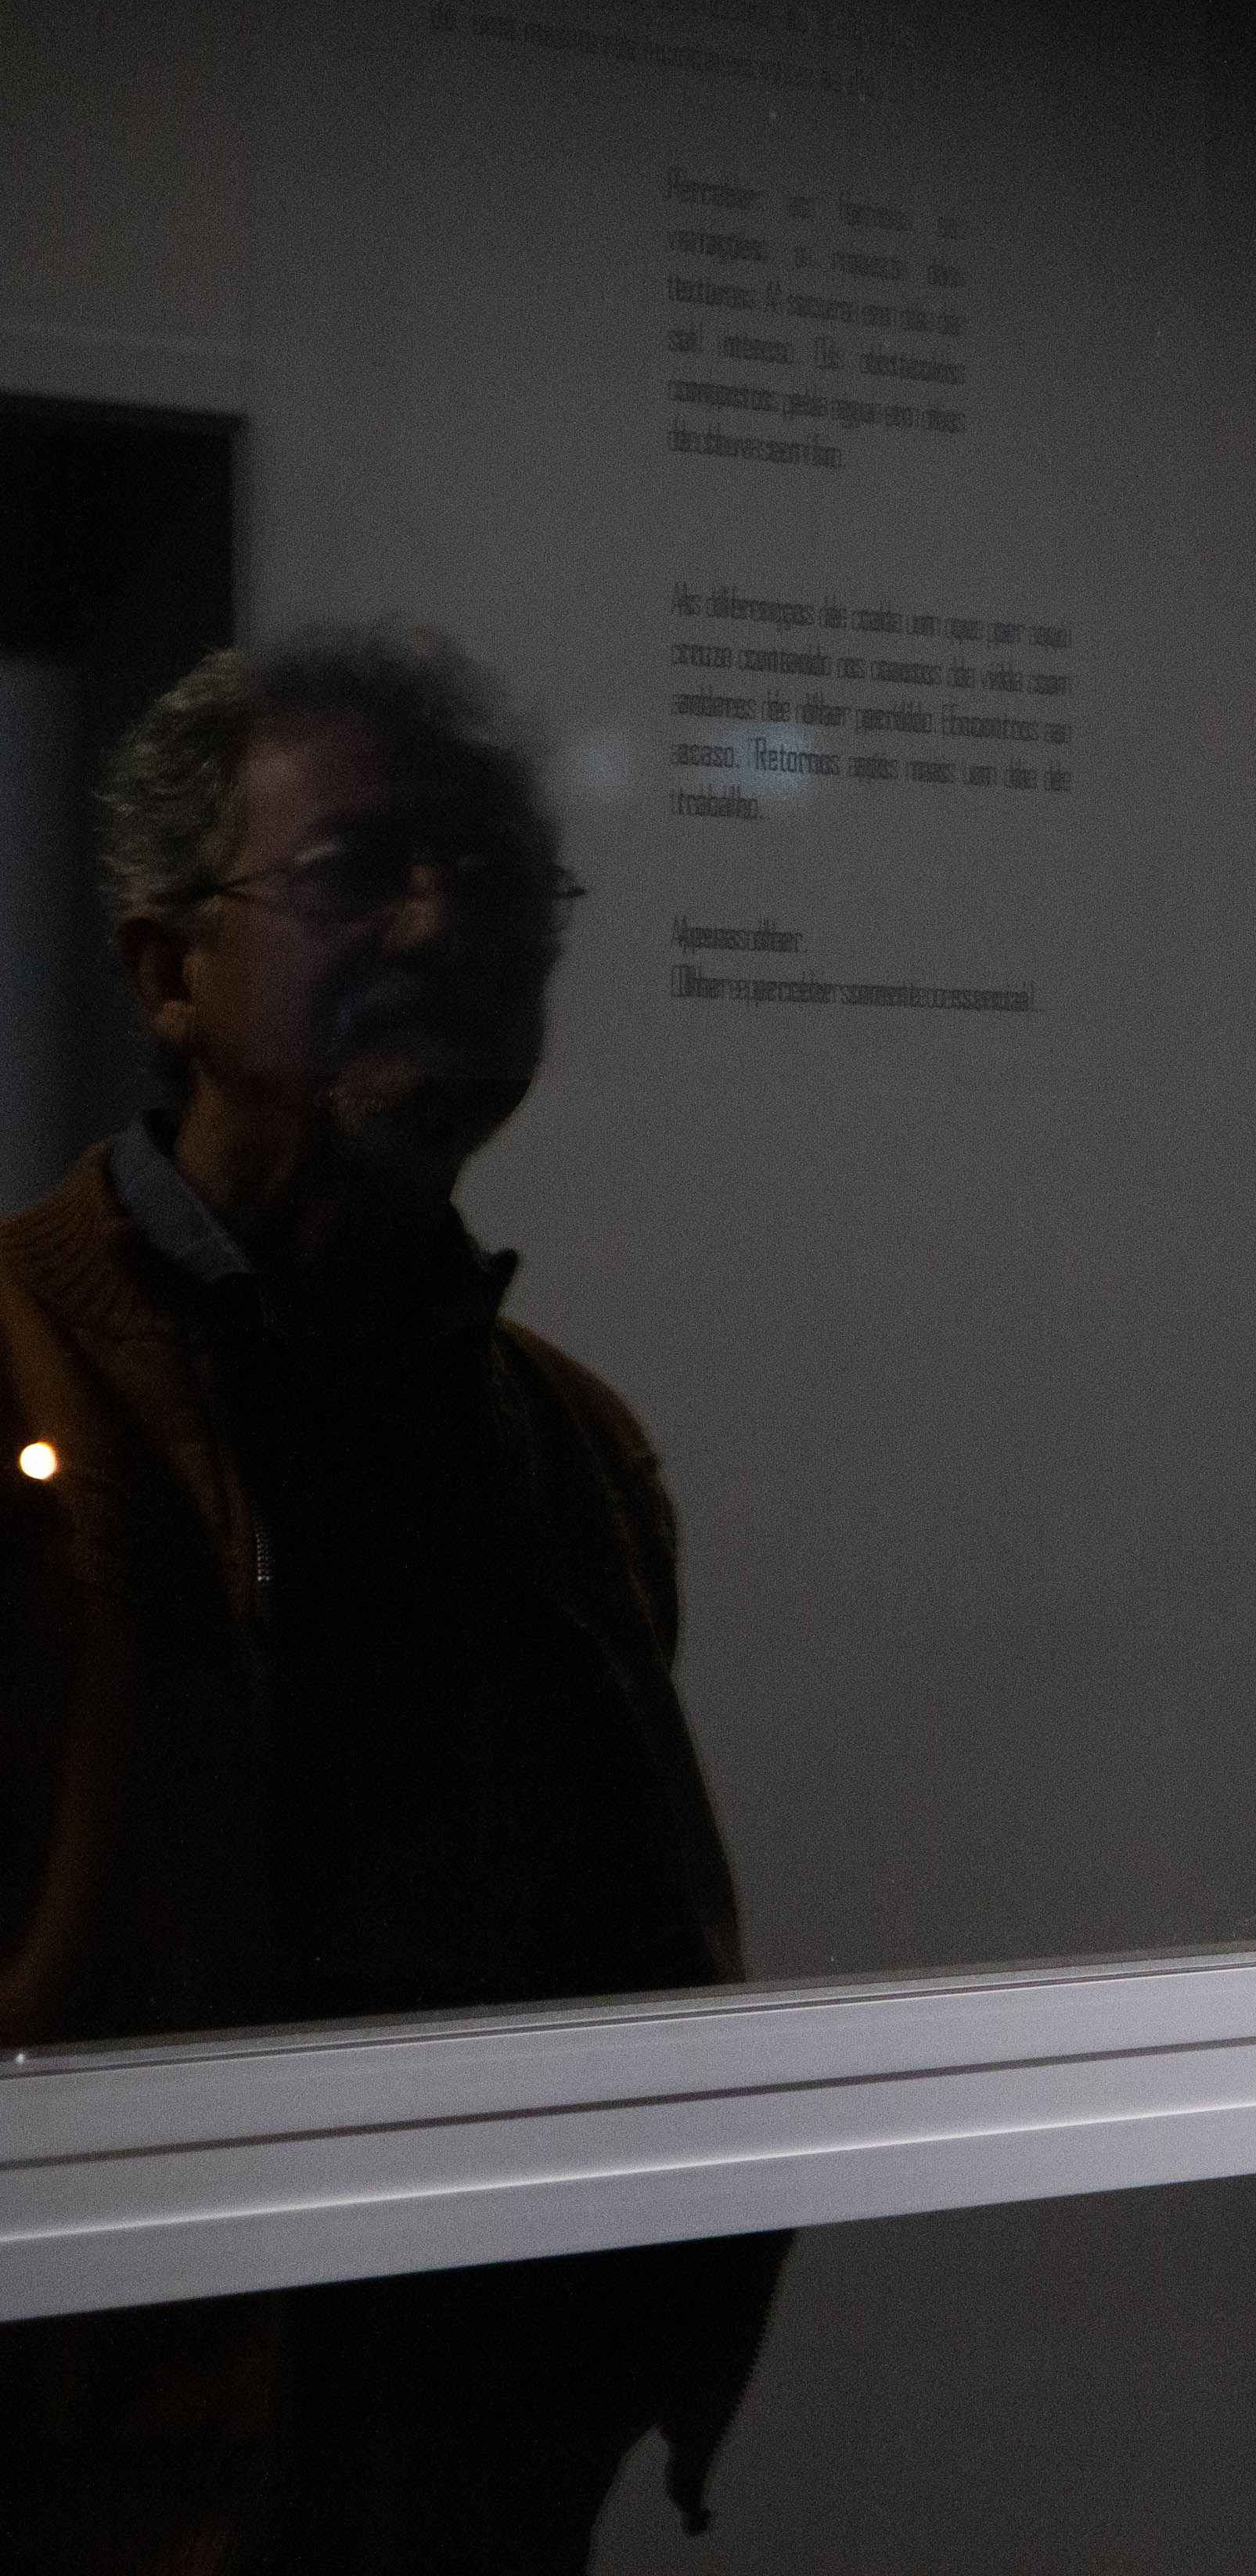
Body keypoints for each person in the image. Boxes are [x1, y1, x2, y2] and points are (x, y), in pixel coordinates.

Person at [0, 628, 778, 2572]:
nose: (448, 925)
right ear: (166, 968)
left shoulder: (574, 1448)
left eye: (504, 878)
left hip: (487, 2471)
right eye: (359, 870)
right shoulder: (16, 1382)